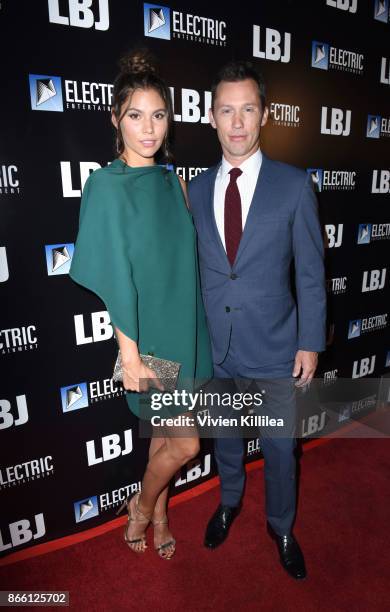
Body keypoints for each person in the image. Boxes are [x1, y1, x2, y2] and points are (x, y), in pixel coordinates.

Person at [69, 50, 212, 560]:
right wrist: (130, 358)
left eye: (158, 115)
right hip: (148, 342)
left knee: (164, 441)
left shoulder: (171, 181)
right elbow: (115, 277)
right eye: (135, 115)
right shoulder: (106, 187)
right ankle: (141, 507)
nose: (148, 128)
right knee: (187, 444)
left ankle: (161, 513)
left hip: (187, 333)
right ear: (115, 119)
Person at [188, 60, 326, 580]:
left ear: (264, 115)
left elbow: (311, 272)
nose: (238, 121)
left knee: (279, 449)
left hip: (274, 348)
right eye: (227, 110)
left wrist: (310, 341)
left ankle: (282, 526)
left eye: (248, 109)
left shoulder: (293, 186)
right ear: (211, 116)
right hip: (216, 348)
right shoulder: (196, 190)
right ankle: (228, 502)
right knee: (224, 437)